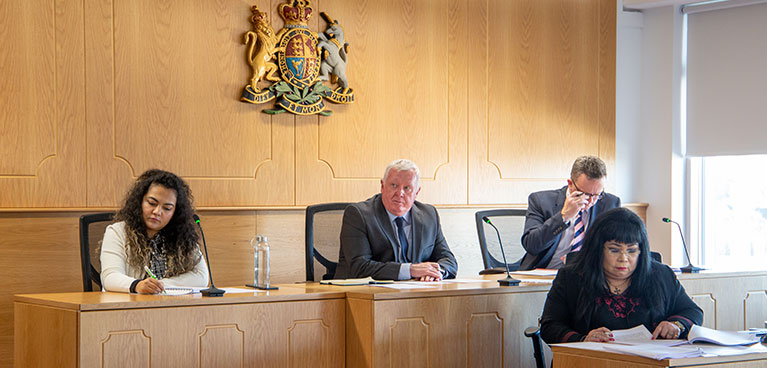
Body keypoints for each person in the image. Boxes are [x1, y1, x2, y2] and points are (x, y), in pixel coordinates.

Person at [540, 207, 703, 344]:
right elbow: (550, 326)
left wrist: (676, 325)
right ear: (598, 249)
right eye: (614, 250)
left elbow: (693, 311)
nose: (623, 258)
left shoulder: (660, 275)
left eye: (632, 251)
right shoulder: (572, 277)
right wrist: (583, 339)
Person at [334, 159, 458, 281]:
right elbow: (359, 267)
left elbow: (449, 261)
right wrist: (410, 270)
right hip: (365, 294)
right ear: (382, 186)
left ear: (417, 192)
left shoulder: (428, 215)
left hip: (416, 292)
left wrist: (435, 272)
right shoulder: (359, 214)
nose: (400, 193)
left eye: (407, 188)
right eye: (394, 185)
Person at [100, 169, 209, 294]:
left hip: (170, 306)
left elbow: (201, 276)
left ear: (175, 212)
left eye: (167, 208)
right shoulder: (117, 232)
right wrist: (137, 285)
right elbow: (110, 277)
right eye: (152, 203)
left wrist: (159, 285)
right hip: (129, 307)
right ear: (140, 201)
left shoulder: (182, 236)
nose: (157, 212)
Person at [520, 155, 621, 270]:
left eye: (597, 194)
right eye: (585, 194)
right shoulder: (541, 201)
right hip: (546, 274)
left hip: (588, 277)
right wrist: (563, 217)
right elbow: (532, 245)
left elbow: (615, 247)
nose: (591, 201)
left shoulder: (610, 203)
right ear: (570, 184)